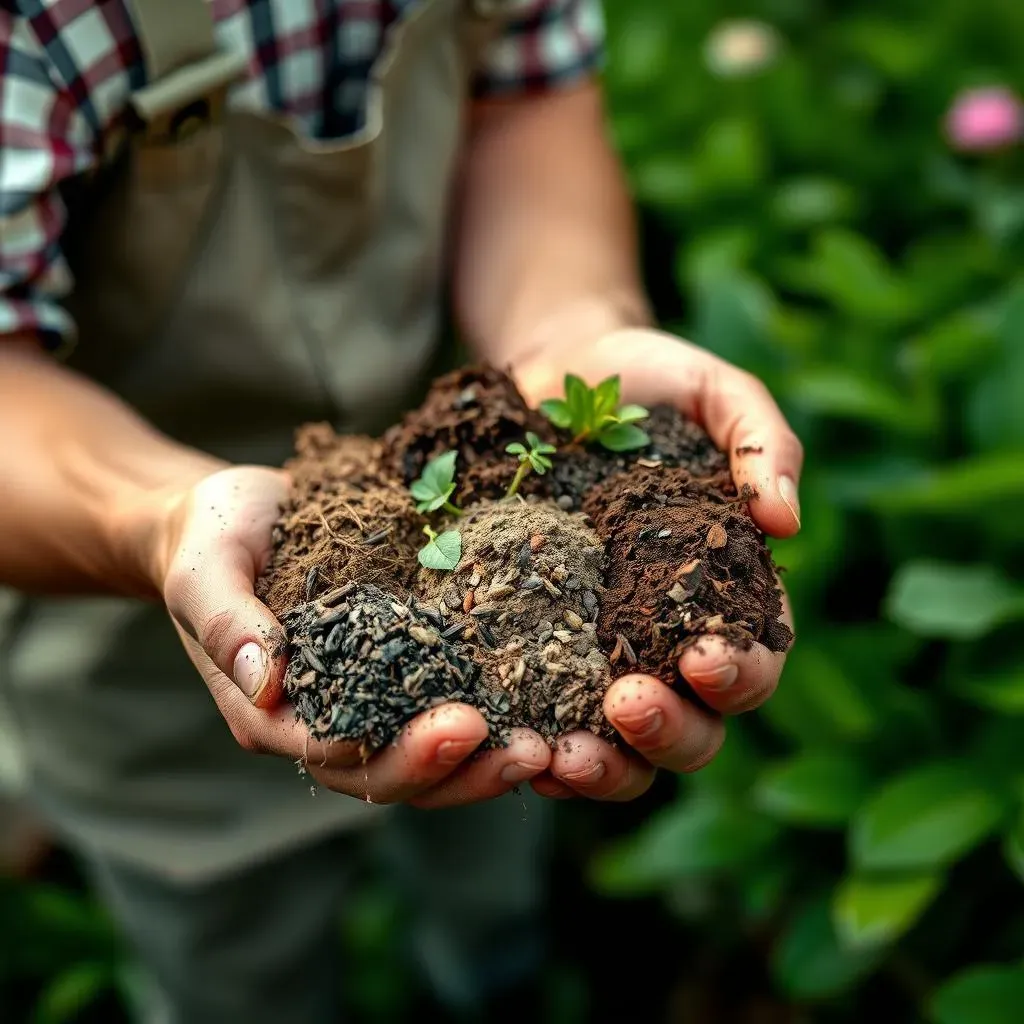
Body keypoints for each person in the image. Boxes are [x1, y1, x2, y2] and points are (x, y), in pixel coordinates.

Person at [0, 1, 803, 1021]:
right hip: (120, 623)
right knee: (231, 953)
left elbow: (524, 100)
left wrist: (569, 329)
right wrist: (156, 518)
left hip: (459, 432)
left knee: (495, 851)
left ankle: (490, 981)